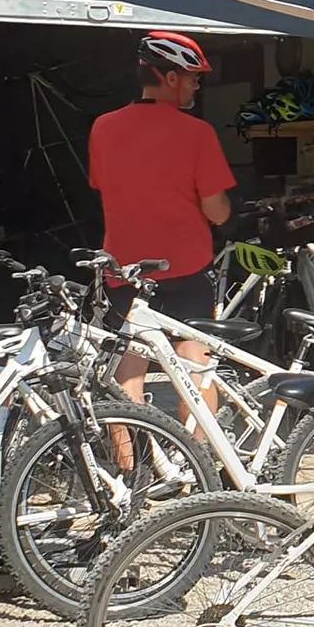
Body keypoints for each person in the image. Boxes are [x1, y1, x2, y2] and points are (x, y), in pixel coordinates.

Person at [89, 31, 233, 442]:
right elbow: (216, 209)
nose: (196, 86)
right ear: (170, 78)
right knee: (195, 367)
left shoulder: (103, 127)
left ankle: (125, 476)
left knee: (128, 371)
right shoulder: (196, 133)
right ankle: (200, 472)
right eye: (193, 77)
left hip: (126, 270)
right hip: (186, 267)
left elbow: (104, 186)